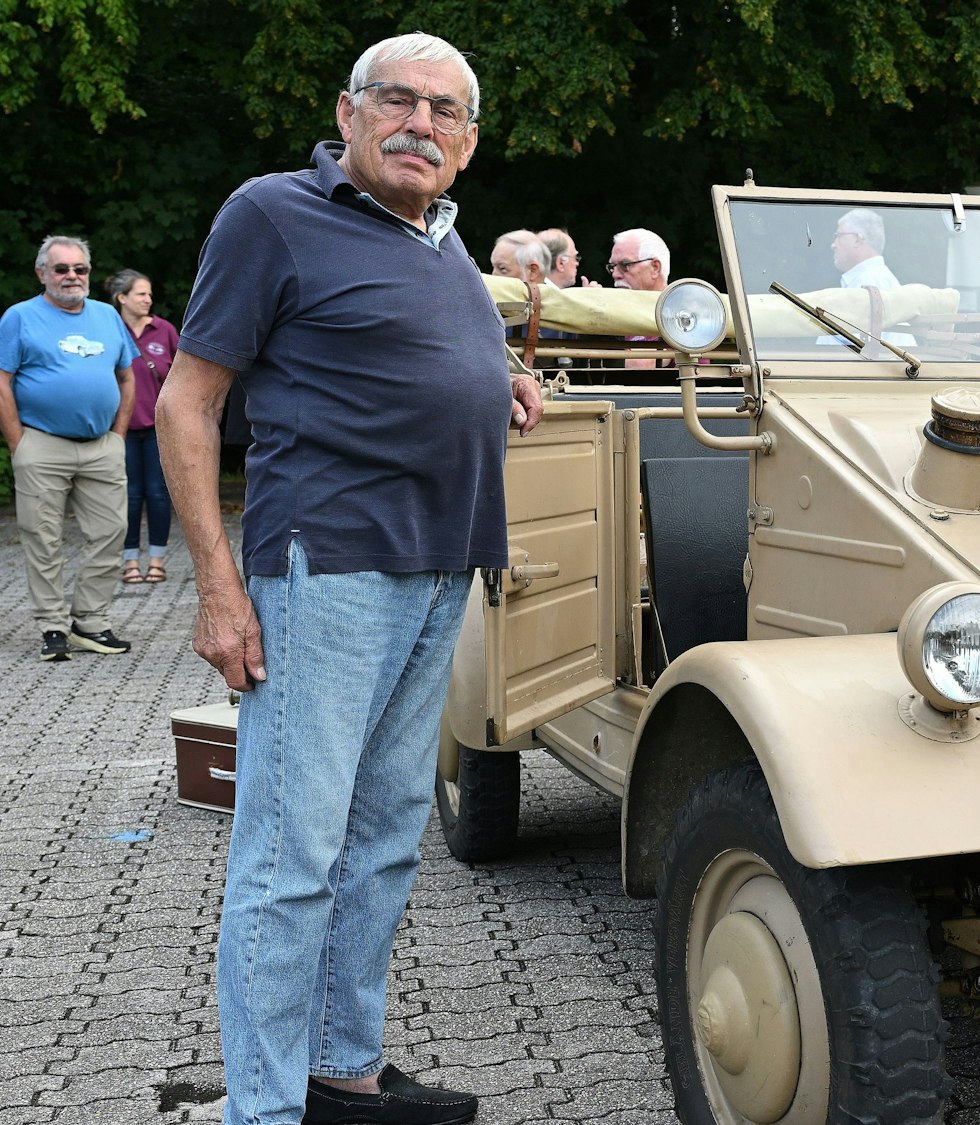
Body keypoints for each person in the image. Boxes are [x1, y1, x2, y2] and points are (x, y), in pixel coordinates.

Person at [156, 31, 541, 1125]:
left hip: (439, 567)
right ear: (347, 112)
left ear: (469, 142)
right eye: (397, 99)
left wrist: (500, 378)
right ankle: (265, 1109)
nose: (420, 123)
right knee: (293, 856)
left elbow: (399, 351)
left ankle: (340, 1071)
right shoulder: (273, 213)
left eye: (445, 110)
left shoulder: (443, 241)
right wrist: (219, 589)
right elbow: (189, 400)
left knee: (379, 844)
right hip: (325, 570)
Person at [0, 236, 137, 662]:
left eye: (80, 269)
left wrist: (118, 435)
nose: (72, 276)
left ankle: (90, 622)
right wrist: (19, 443)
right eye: (61, 269)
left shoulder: (107, 315)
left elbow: (127, 377)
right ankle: (53, 626)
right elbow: (2, 382)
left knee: (111, 532)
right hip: (41, 443)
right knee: (43, 538)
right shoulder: (19, 317)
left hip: (101, 446)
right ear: (41, 273)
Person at [107, 269, 178, 584]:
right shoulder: (109, 329)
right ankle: (130, 561)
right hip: (119, 427)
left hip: (158, 428)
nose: (148, 299)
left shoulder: (164, 330)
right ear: (122, 298)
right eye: (141, 294)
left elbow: (181, 378)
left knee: (159, 494)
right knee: (130, 495)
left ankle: (157, 561)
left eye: (150, 293)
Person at [608, 229, 670, 368]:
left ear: (655, 268)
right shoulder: (617, 312)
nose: (615, 275)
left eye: (625, 265)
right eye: (612, 266)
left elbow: (641, 365)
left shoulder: (682, 314)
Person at [834, 207, 900, 289]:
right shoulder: (876, 278)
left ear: (857, 240)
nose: (833, 245)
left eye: (839, 236)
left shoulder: (869, 281)